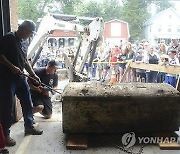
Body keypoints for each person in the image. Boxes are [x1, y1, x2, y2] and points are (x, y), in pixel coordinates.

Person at [0, 20, 43, 147]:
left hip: (20, 78)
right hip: (7, 79)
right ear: (23, 29)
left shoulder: (25, 42)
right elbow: (0, 55)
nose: (30, 35)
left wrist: (33, 74)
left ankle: (29, 126)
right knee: (7, 106)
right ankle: (6, 134)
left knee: (27, 102)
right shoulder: (9, 38)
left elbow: (25, 60)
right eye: (30, 33)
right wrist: (12, 66)